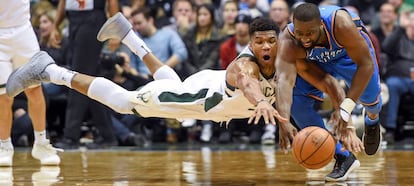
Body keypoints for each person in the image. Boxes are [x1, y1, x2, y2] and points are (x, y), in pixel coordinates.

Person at [7, 13, 287, 140]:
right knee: (124, 103)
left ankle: (128, 35)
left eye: (270, 42)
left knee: (172, 83)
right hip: (199, 99)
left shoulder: (284, 63)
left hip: (204, 88)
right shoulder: (245, 67)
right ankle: (51, 70)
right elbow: (248, 80)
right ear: (251, 44)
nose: (265, 47)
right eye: (259, 42)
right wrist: (261, 100)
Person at [274, 2, 382, 179]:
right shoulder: (289, 40)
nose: (304, 38)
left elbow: (366, 65)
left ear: (321, 26)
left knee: (371, 99)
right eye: (300, 33)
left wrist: (346, 108)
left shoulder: (341, 25)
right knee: (296, 101)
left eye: (310, 33)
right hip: (316, 61)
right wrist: (283, 120)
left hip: (349, 55)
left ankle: (372, 119)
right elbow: (284, 80)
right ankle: (343, 156)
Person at [50, 0, 119, 149]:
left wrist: (115, 31)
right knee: (90, 80)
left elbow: (112, 1)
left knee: (78, 78)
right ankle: (108, 135)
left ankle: (71, 136)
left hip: (92, 19)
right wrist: (56, 25)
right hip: (73, 20)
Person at [0, 0, 62, 166]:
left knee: (35, 91)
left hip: (23, 32)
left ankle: (41, 143)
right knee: (3, 96)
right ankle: (4, 146)